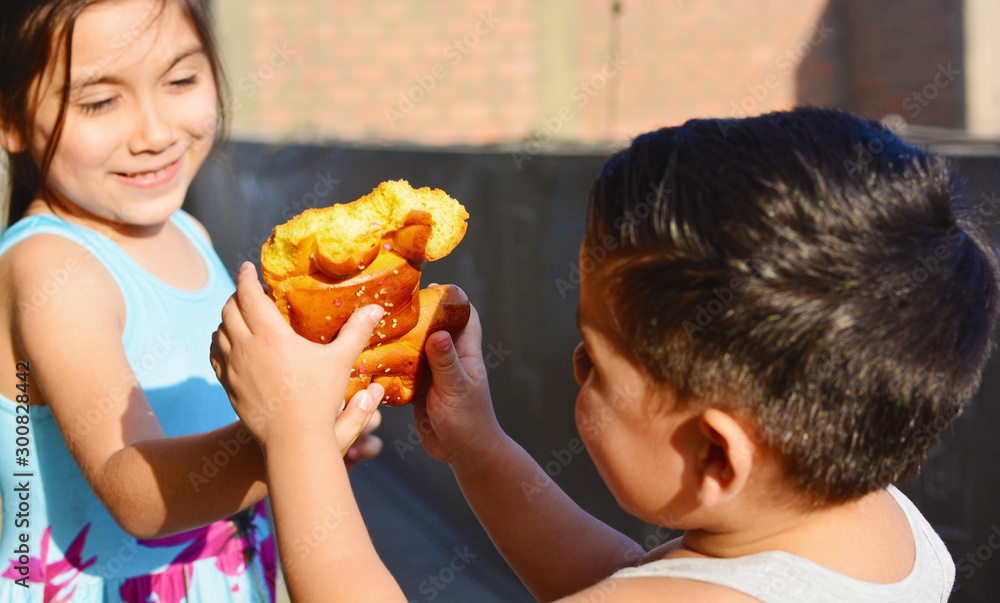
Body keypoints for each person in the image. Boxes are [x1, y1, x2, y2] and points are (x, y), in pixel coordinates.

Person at [211, 107, 999, 602]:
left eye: (594, 360)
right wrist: (483, 451)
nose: (573, 369)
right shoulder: (875, 516)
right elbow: (640, 579)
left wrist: (298, 440)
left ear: (715, 453)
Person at [0, 0, 383, 601]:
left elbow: (226, 434)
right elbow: (134, 489)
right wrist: (294, 437)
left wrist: (309, 435)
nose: (153, 130)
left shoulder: (187, 230)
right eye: (99, 102)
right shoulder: (51, 267)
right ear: (11, 119)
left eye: (180, 80)